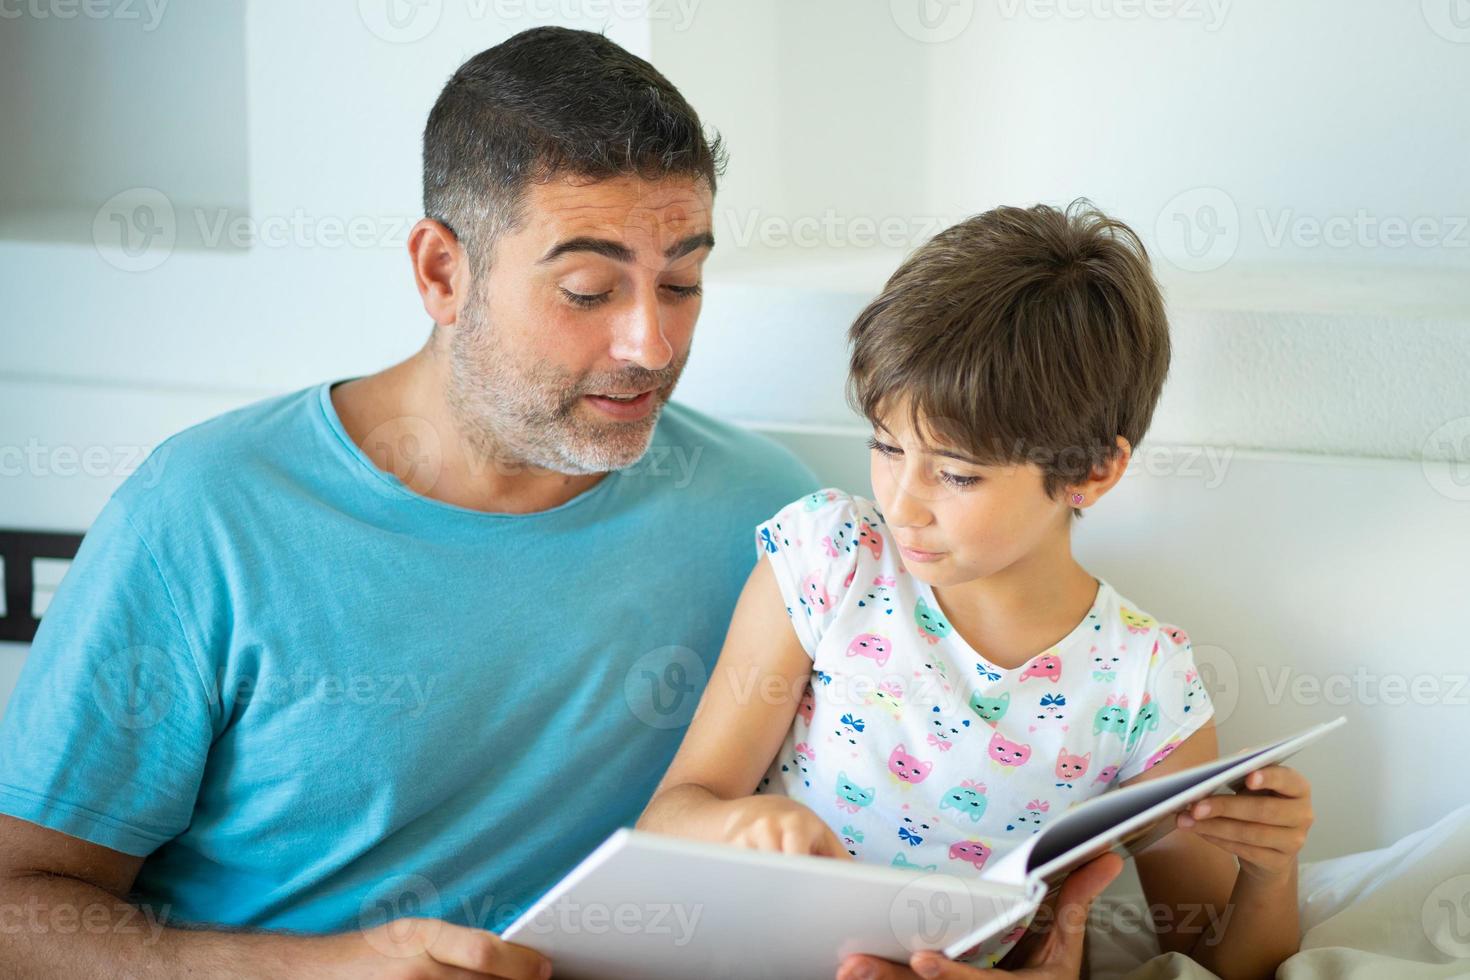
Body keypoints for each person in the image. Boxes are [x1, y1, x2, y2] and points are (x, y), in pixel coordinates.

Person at [0, 27, 819, 978]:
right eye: (589, 290)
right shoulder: (204, 517)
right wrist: (324, 972)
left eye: (681, 281)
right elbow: (16, 910)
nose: (651, 343)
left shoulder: (776, 523)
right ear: (441, 271)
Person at [639, 202, 1315, 979]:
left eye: (956, 473)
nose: (903, 502)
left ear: (1093, 471)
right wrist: (738, 829)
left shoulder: (1142, 685)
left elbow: (1211, 958)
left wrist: (1272, 872)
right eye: (887, 448)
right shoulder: (832, 560)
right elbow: (671, 816)